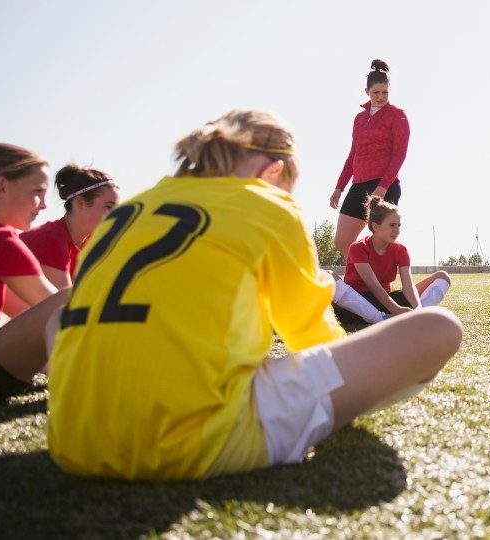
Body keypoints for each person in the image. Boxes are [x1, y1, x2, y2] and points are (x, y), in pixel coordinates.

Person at [46, 110, 461, 480]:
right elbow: (310, 336)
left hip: (72, 438)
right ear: (273, 172)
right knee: (436, 328)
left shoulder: (125, 211)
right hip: (187, 438)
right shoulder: (266, 205)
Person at [329, 59, 410, 256]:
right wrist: (339, 187)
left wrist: (383, 186)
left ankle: (382, 283)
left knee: (382, 242)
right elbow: (353, 155)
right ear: (367, 92)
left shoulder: (397, 115)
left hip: (384, 185)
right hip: (358, 185)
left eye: (385, 92)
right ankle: (362, 282)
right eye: (376, 92)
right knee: (342, 242)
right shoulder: (359, 118)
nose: (381, 97)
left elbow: (399, 154)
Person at [331, 196, 451, 325]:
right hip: (357, 306)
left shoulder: (401, 250)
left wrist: (417, 307)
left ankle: (419, 316)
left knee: (442, 276)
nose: (397, 230)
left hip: (386, 302)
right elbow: (373, 284)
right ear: (376, 226)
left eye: (399, 225)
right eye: (392, 225)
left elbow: (408, 286)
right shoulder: (358, 248)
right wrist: (396, 309)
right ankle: (380, 318)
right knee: (329, 276)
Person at [0, 143, 56, 333]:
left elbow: (19, 309)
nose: (44, 205)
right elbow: (57, 305)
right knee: (63, 307)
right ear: (1, 186)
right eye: (38, 192)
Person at [20, 165, 120, 289]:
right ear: (80, 203)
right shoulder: (50, 239)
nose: (116, 215)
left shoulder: (92, 242)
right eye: (109, 207)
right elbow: (66, 304)